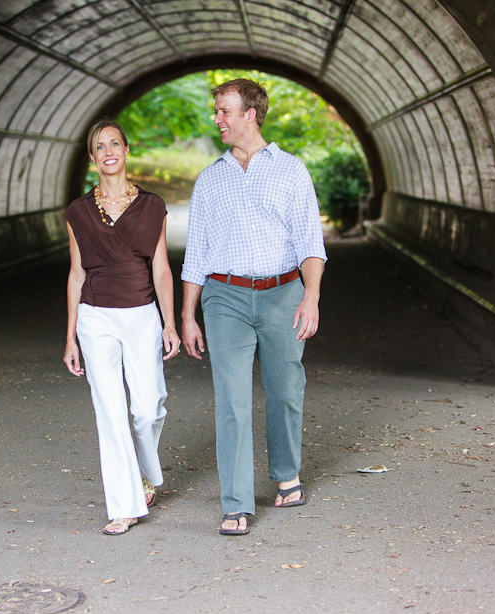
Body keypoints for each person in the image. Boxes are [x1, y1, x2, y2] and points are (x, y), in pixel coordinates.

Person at [180, 78, 327, 536]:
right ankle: (236, 502)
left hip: (283, 292)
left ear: (251, 114)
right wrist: (187, 314)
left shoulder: (291, 171)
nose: (217, 119)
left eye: (225, 111)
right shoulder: (210, 179)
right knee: (232, 399)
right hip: (225, 297)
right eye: (217, 111)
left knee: (286, 389)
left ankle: (286, 476)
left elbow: (310, 243)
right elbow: (197, 255)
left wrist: (311, 296)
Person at [63, 119, 180, 535]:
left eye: (115, 143)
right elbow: (76, 274)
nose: (108, 150)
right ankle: (124, 506)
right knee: (109, 411)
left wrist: (170, 323)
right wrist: (71, 335)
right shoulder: (77, 212)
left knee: (147, 408)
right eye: (99, 146)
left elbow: (162, 269)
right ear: (92, 158)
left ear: (126, 151)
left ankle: (148, 472)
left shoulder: (153, 206)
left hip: (141, 313)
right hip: (96, 316)